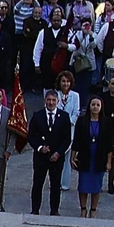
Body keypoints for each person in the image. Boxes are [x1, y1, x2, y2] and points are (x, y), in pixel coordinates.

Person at [29, 89, 73, 217]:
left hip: (56, 158)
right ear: (45, 101)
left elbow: (66, 139)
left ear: (58, 102)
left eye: (53, 100)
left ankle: (54, 210)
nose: (51, 102)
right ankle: (35, 210)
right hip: (40, 158)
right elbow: (31, 136)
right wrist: (40, 148)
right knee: (37, 184)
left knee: (55, 185)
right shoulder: (37, 115)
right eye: (48, 100)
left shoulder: (64, 117)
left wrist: (58, 153)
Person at [72, 95, 110, 218]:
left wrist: (109, 162)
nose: (95, 107)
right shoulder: (82, 121)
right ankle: (83, 209)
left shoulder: (106, 122)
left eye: (98, 105)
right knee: (83, 185)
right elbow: (76, 141)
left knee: (96, 186)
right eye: (93, 104)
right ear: (89, 106)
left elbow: (109, 145)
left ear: (101, 107)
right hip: (85, 156)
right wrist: (72, 157)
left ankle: (93, 210)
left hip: (99, 157)